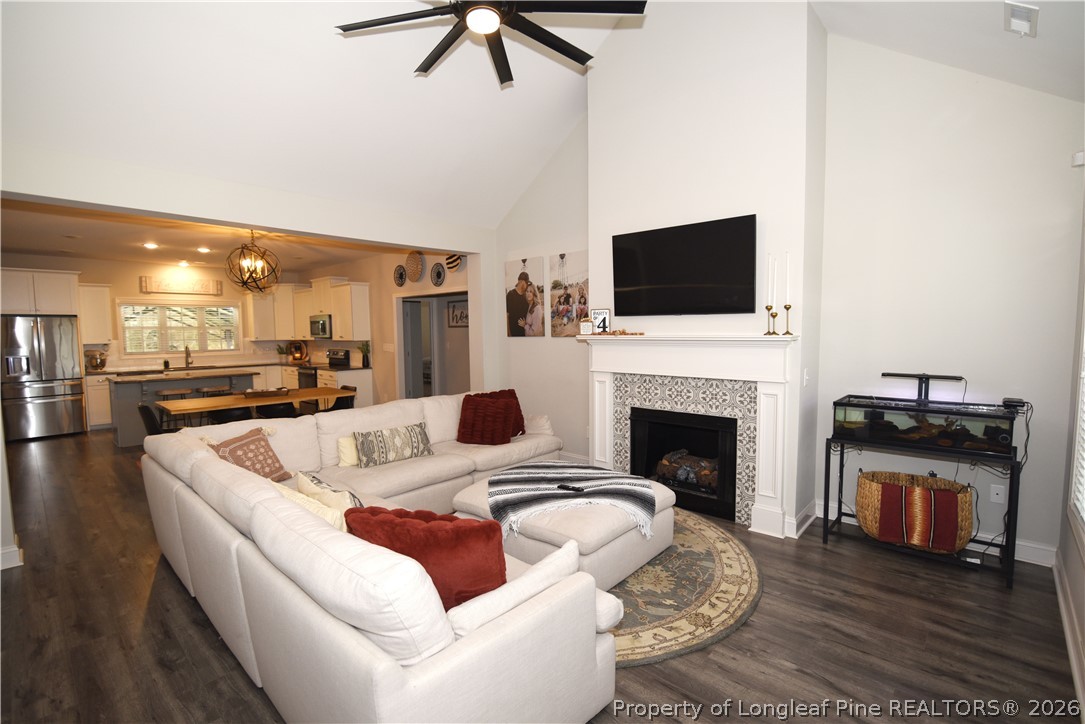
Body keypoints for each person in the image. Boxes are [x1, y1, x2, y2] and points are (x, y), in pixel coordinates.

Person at [506, 271, 529, 336]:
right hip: (513, 333)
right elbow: (506, 315)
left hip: (525, 333)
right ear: (522, 282)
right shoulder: (510, 295)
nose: (527, 285)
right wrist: (508, 333)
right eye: (526, 283)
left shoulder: (526, 296)